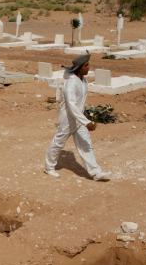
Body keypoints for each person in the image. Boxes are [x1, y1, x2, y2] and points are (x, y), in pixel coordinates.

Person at [44, 53, 111, 181]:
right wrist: (86, 122)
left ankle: (95, 172)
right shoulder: (71, 83)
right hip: (68, 119)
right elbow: (71, 105)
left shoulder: (83, 80)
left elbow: (80, 102)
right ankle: (49, 167)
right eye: (86, 65)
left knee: (86, 144)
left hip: (79, 118)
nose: (89, 67)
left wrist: (85, 118)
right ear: (79, 68)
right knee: (59, 142)